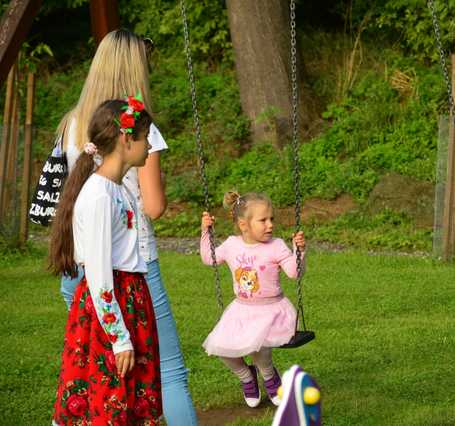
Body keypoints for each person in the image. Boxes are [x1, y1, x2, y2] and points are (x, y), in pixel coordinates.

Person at [57, 29, 197, 425]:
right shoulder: (137, 128)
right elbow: (153, 207)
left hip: (81, 270)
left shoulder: (72, 124)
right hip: (129, 271)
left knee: (97, 379)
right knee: (165, 372)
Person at [49, 98, 161, 424]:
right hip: (111, 312)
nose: (150, 144)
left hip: (130, 302)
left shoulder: (118, 189)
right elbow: (99, 276)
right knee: (106, 403)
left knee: (130, 404)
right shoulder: (98, 195)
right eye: (145, 137)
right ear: (127, 140)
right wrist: (119, 337)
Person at [200, 191, 306, 408]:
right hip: (241, 310)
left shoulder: (276, 245)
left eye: (271, 219)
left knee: (259, 350)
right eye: (263, 220)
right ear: (243, 224)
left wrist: (299, 251)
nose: (270, 225)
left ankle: (268, 375)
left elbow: (294, 273)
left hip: (271, 310)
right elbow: (209, 258)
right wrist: (205, 232)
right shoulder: (231, 245)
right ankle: (246, 376)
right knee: (221, 348)